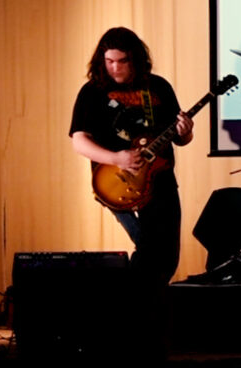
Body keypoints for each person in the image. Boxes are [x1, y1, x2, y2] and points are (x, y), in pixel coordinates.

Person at [69, 27, 194, 288]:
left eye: (122, 61)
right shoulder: (92, 92)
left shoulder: (158, 87)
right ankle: (137, 312)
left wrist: (186, 131)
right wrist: (117, 158)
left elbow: (180, 139)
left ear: (135, 59)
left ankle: (143, 309)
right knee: (150, 252)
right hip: (118, 181)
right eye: (109, 61)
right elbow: (79, 141)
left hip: (160, 181)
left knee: (167, 256)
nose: (115, 68)